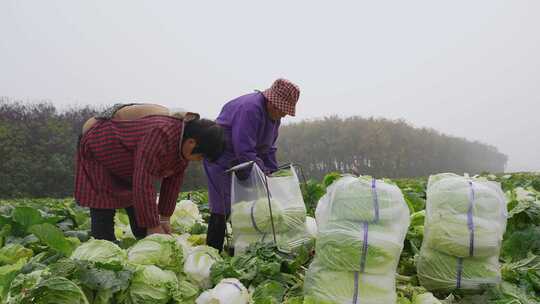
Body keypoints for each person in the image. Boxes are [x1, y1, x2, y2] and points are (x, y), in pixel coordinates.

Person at [75, 103, 225, 242]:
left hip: (127, 164)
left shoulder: (182, 149)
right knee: (104, 207)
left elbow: (173, 184)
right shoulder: (161, 133)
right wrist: (153, 225)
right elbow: (143, 179)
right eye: (201, 156)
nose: (199, 160)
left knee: (141, 218)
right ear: (192, 142)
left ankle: (143, 239)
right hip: (100, 147)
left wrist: (164, 219)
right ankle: (102, 255)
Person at [204, 78, 301, 251]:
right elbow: (244, 148)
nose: (284, 114)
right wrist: (261, 176)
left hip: (244, 160)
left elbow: (268, 149)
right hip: (222, 158)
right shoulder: (250, 108)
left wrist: (272, 174)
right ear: (272, 101)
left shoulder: (274, 116)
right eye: (282, 109)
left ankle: (243, 249)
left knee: (251, 205)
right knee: (223, 205)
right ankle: (213, 250)